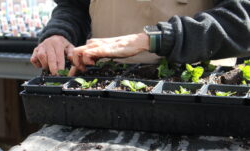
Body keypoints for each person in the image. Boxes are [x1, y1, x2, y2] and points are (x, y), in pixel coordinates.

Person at [30, 0, 250, 76]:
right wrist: (59, 34)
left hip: (199, 95)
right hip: (104, 88)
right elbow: (74, 7)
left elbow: (242, 21)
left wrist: (152, 39)